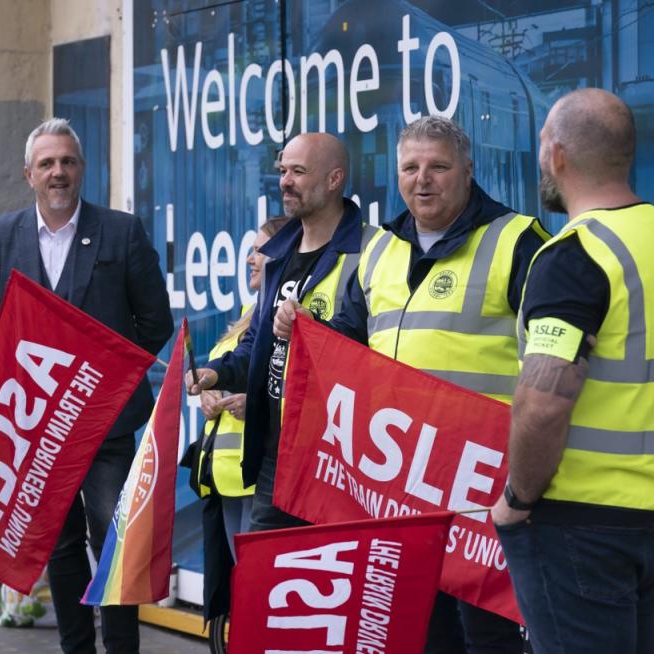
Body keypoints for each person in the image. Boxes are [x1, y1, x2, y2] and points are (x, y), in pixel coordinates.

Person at [275, 116, 547, 653]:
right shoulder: (380, 249)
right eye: (410, 168)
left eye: (438, 167)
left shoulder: (518, 241)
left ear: (468, 171)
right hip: (400, 486)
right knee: (416, 627)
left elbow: (549, 364)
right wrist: (305, 329)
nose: (422, 180)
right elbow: (347, 345)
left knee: (486, 634)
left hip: (481, 487)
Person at [0, 118, 173, 654]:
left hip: (107, 422)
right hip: (37, 426)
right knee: (57, 545)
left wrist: (107, 383)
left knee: (112, 543)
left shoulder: (121, 231)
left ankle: (122, 649)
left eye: (68, 162)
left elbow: (154, 323)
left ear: (82, 169)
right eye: (48, 163)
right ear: (28, 174)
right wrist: (23, 388)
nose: (58, 172)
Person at [492, 88, 654, 653]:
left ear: (556, 155)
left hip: (587, 527)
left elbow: (544, 402)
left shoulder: (574, 256)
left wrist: (517, 500)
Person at [187, 132, 377, 532]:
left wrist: (312, 331)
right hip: (278, 452)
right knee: (264, 583)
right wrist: (216, 372)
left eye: (299, 171)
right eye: (283, 171)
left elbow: (375, 347)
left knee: (330, 579)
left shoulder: (373, 250)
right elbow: (257, 345)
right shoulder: (277, 257)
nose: (285, 181)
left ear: (334, 179)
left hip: (338, 455)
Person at [187, 216, 289, 633]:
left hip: (261, 476)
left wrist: (259, 401)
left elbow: (289, 382)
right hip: (227, 479)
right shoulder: (248, 317)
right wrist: (207, 390)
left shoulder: (282, 316)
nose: (250, 259)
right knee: (241, 592)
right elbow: (225, 370)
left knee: (261, 592)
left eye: (261, 250)